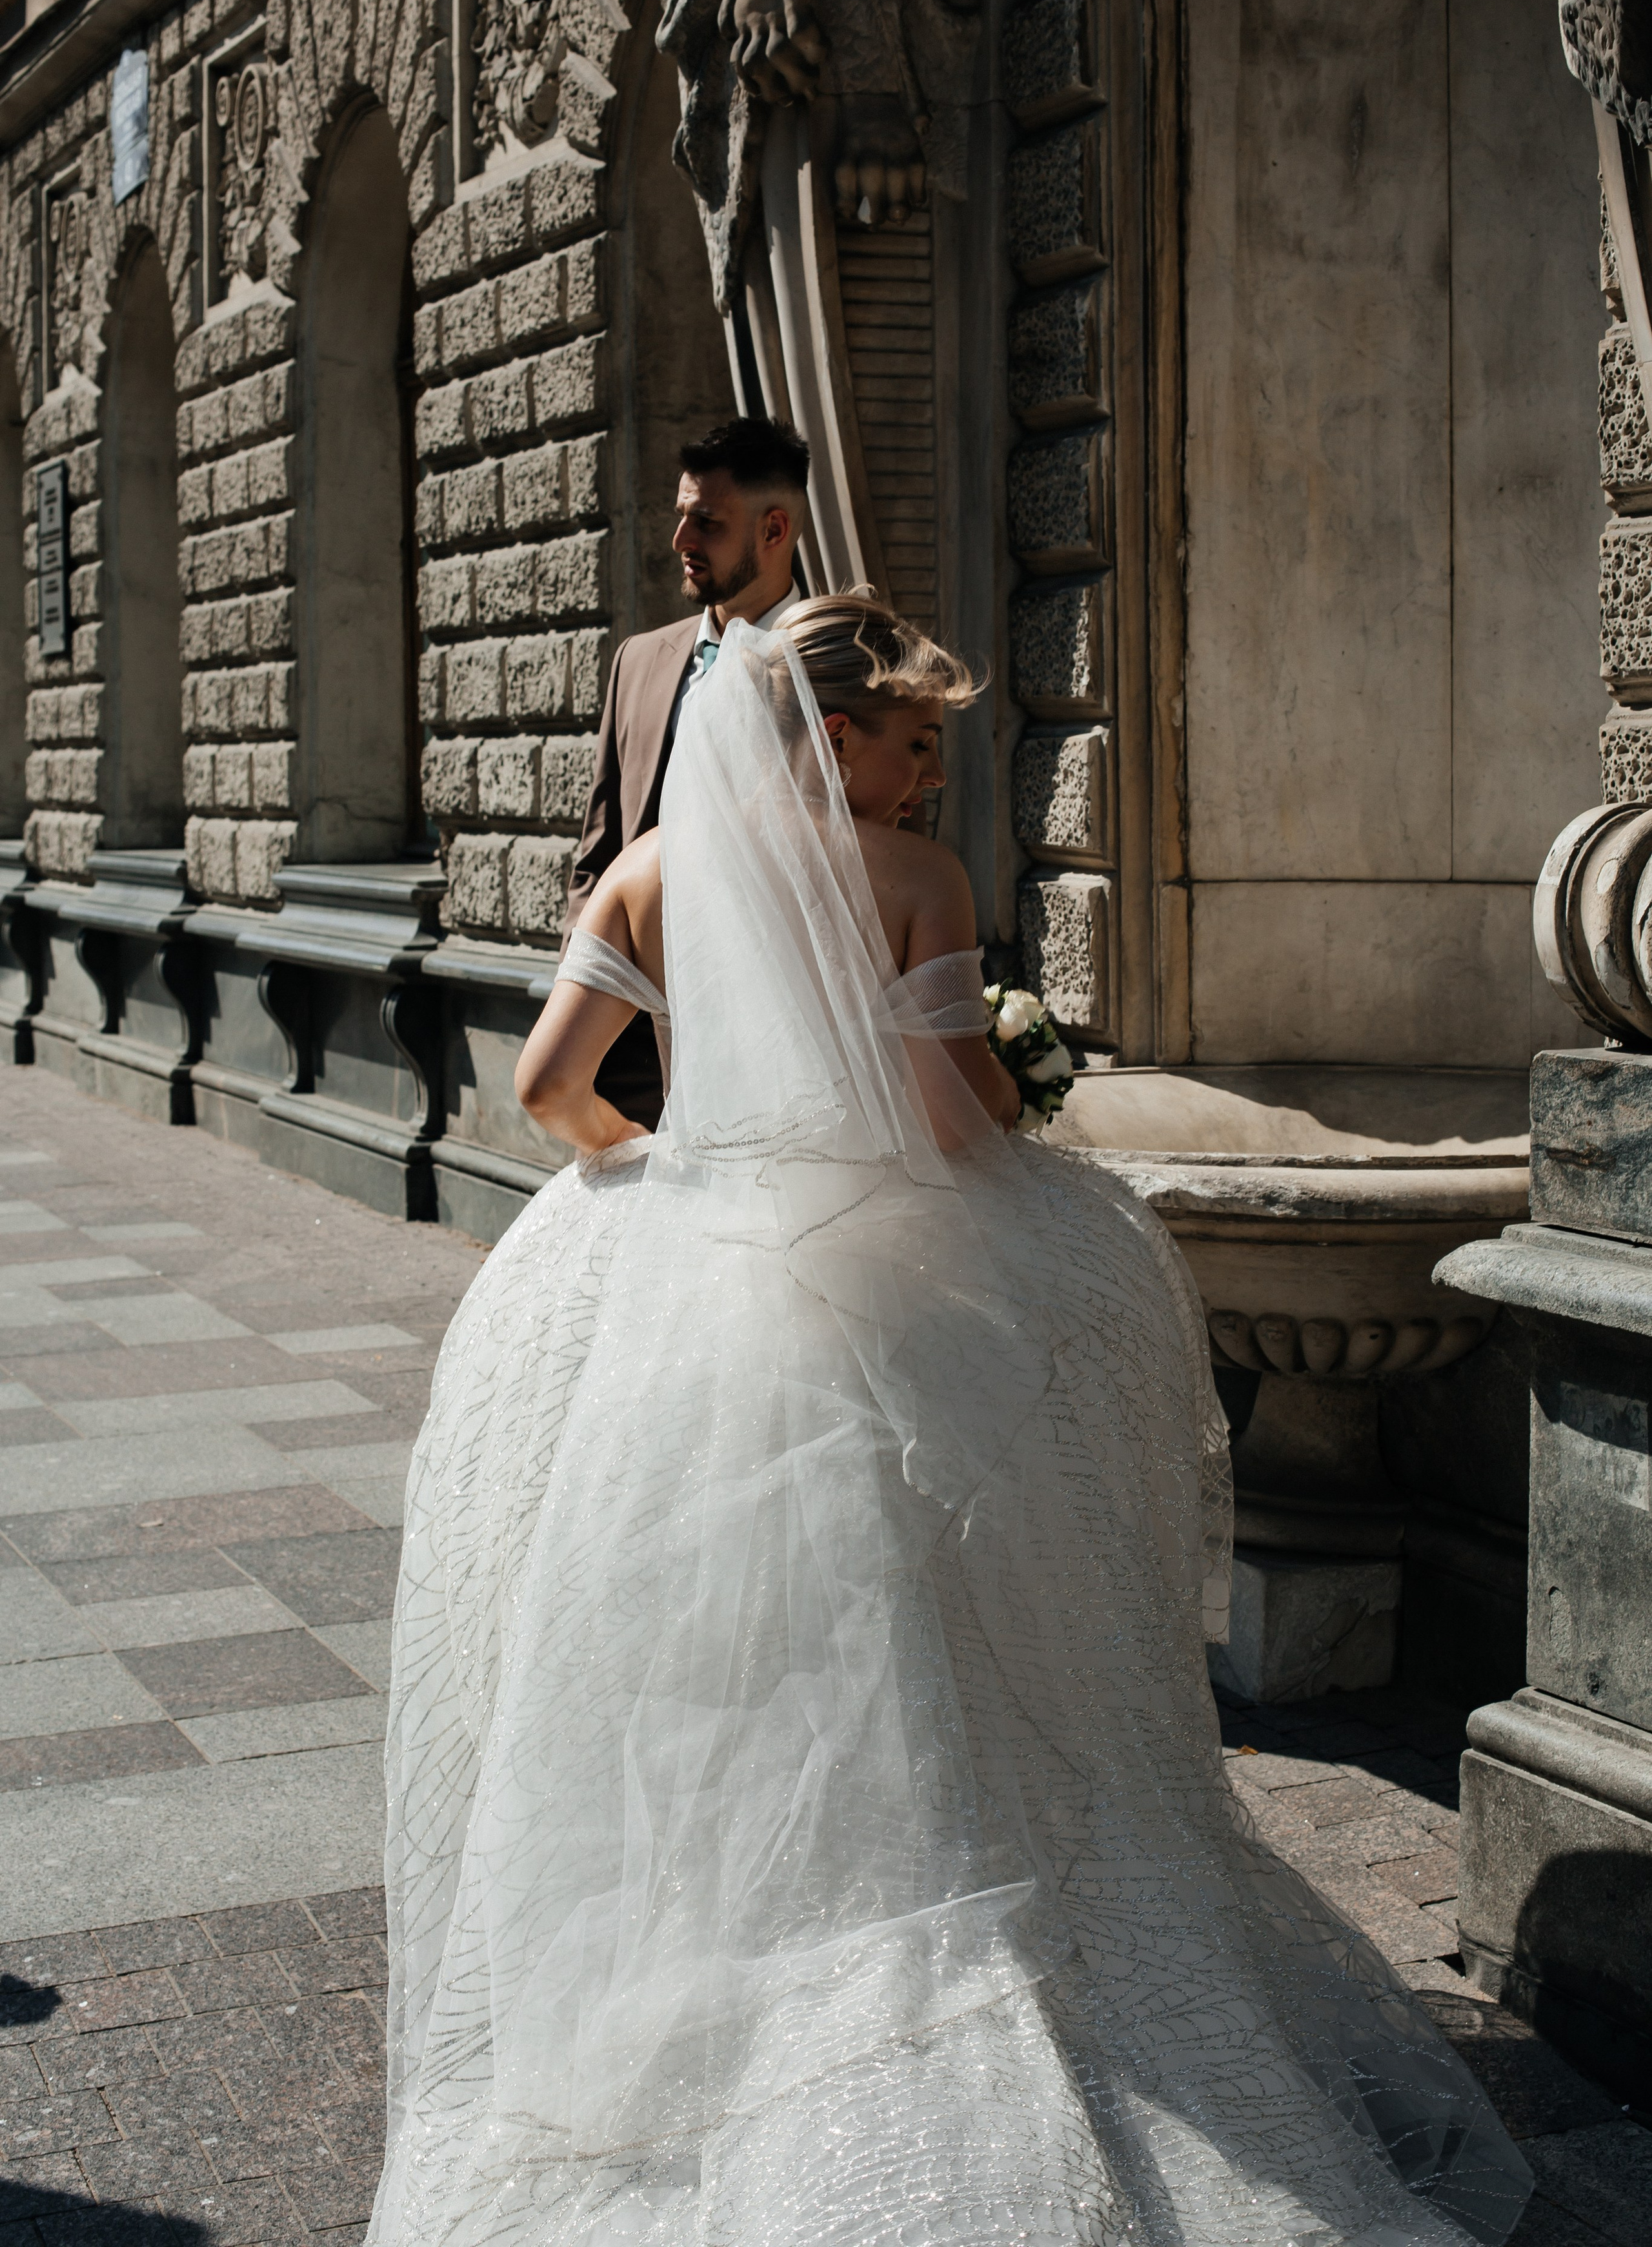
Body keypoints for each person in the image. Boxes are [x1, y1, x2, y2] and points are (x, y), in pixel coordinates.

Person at [369, 597, 1531, 2247]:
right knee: (950, 1626)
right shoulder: (911, 882)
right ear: (831, 735)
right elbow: (935, 1109)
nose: (929, 770)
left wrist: (677, 1180)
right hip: (893, 1290)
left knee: (708, 1653)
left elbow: (553, 1095)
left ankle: (723, 1962)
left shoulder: (644, 874)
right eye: (912, 735)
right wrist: (1017, 1078)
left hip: (685, 1301)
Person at [566, 412, 812, 1127]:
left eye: (705, 522)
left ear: (773, 531)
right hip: (631, 1040)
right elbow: (600, 845)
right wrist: (579, 990)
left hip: (774, 1042)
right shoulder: (639, 661)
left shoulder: (846, 666)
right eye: (680, 518)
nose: (680, 541)